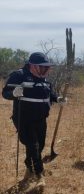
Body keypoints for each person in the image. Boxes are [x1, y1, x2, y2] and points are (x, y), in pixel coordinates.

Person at [2, 52, 66, 186]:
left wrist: (58, 99)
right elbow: (5, 93)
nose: (45, 69)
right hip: (24, 118)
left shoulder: (44, 79)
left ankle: (29, 170)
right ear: (32, 66)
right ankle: (39, 175)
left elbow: (49, 93)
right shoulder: (19, 75)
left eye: (46, 67)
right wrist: (13, 93)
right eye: (41, 67)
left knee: (39, 146)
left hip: (41, 119)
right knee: (33, 145)